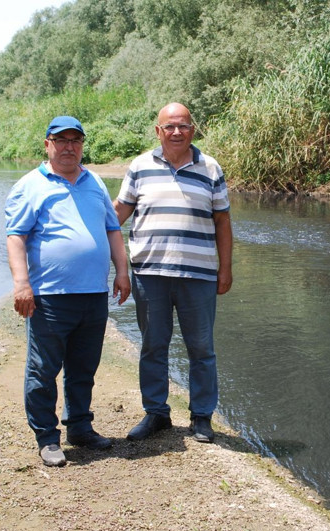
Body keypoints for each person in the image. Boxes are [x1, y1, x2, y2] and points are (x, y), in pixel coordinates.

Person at [5, 115, 130, 467]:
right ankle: (47, 438)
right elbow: (16, 236)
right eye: (61, 140)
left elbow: (112, 230)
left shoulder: (94, 183)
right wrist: (21, 284)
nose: (69, 147)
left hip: (93, 294)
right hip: (49, 297)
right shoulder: (30, 185)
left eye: (75, 140)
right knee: (43, 370)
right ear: (47, 144)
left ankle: (79, 427)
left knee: (83, 367)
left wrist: (122, 272)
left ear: (82, 145)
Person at [114, 102, 233, 444]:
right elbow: (117, 215)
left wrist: (226, 268)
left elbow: (222, 221)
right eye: (170, 127)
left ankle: (201, 417)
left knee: (201, 348)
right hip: (149, 274)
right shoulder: (139, 166)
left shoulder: (210, 168)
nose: (177, 132)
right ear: (158, 131)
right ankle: (156, 413)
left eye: (183, 126)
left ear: (192, 129)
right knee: (153, 345)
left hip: (199, 275)